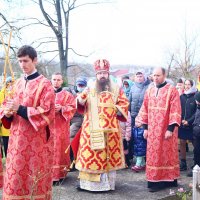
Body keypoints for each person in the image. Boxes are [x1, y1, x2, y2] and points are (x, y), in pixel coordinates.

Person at [0, 45, 55, 199]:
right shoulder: (16, 83)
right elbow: (7, 105)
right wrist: (8, 113)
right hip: (16, 141)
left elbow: (47, 111)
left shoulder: (45, 84)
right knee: (15, 176)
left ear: (35, 60)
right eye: (19, 61)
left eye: (26, 61)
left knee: (32, 177)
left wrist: (21, 109)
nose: (22, 65)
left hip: (34, 142)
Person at [75, 59, 129, 192]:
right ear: (96, 75)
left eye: (104, 72)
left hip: (110, 131)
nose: (102, 75)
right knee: (89, 156)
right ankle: (87, 185)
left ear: (108, 73)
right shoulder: (90, 88)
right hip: (90, 128)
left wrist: (114, 109)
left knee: (107, 157)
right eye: (99, 73)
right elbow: (79, 104)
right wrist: (82, 96)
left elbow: (124, 104)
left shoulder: (116, 88)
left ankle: (106, 185)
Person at [136, 67, 181, 192]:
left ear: (164, 75)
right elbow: (144, 109)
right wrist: (145, 128)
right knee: (153, 155)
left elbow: (175, 110)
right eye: (154, 75)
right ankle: (154, 180)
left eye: (158, 75)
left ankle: (169, 180)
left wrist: (170, 128)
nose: (155, 78)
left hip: (166, 130)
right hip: (152, 130)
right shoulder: (149, 90)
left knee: (167, 155)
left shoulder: (172, 91)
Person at [51, 72, 76, 183]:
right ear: (51, 80)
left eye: (58, 80)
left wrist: (61, 108)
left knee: (60, 150)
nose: (56, 82)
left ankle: (60, 174)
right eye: (54, 79)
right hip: (47, 127)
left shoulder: (67, 95)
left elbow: (73, 107)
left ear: (62, 81)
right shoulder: (45, 93)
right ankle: (46, 175)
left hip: (61, 127)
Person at [129, 71, 150, 172]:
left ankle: (144, 160)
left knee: (143, 138)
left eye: (141, 76)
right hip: (134, 116)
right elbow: (129, 100)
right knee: (136, 138)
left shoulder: (149, 87)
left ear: (144, 77)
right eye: (137, 76)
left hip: (145, 117)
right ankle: (140, 161)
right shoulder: (132, 87)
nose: (139, 78)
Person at [178, 79, 197, 171]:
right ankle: (183, 162)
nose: (187, 86)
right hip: (182, 124)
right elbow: (178, 109)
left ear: (192, 85)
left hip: (192, 124)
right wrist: (181, 120)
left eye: (189, 84)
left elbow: (197, 112)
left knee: (195, 143)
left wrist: (188, 121)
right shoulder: (181, 96)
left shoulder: (196, 96)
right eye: (185, 84)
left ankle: (196, 162)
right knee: (182, 142)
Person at [0, 76, 14, 158]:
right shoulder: (1, 94)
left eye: (12, 83)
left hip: (16, 123)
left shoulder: (17, 92)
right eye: (9, 83)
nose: (10, 85)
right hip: (5, 123)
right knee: (6, 143)